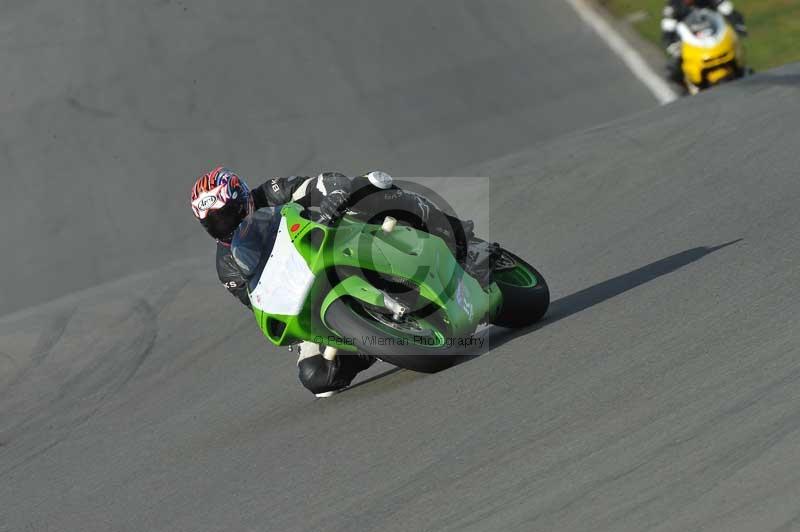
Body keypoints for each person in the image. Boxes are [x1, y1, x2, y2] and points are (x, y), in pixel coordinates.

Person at [190, 167, 479, 397]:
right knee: (315, 375)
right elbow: (259, 301)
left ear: (243, 198)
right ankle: (374, 342)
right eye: (214, 223)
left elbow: (322, 182)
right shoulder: (227, 267)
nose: (225, 225)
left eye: (227, 214)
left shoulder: (272, 192)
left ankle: (462, 239)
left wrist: (334, 194)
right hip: (307, 290)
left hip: (338, 239)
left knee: (372, 187)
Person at [661, 0, 747, 82]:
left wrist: (738, 24)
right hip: (690, 41)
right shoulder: (673, 6)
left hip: (714, 34)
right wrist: (672, 45)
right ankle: (687, 87)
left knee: (734, 44)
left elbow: (726, 8)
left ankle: (742, 70)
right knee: (674, 70)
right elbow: (668, 28)